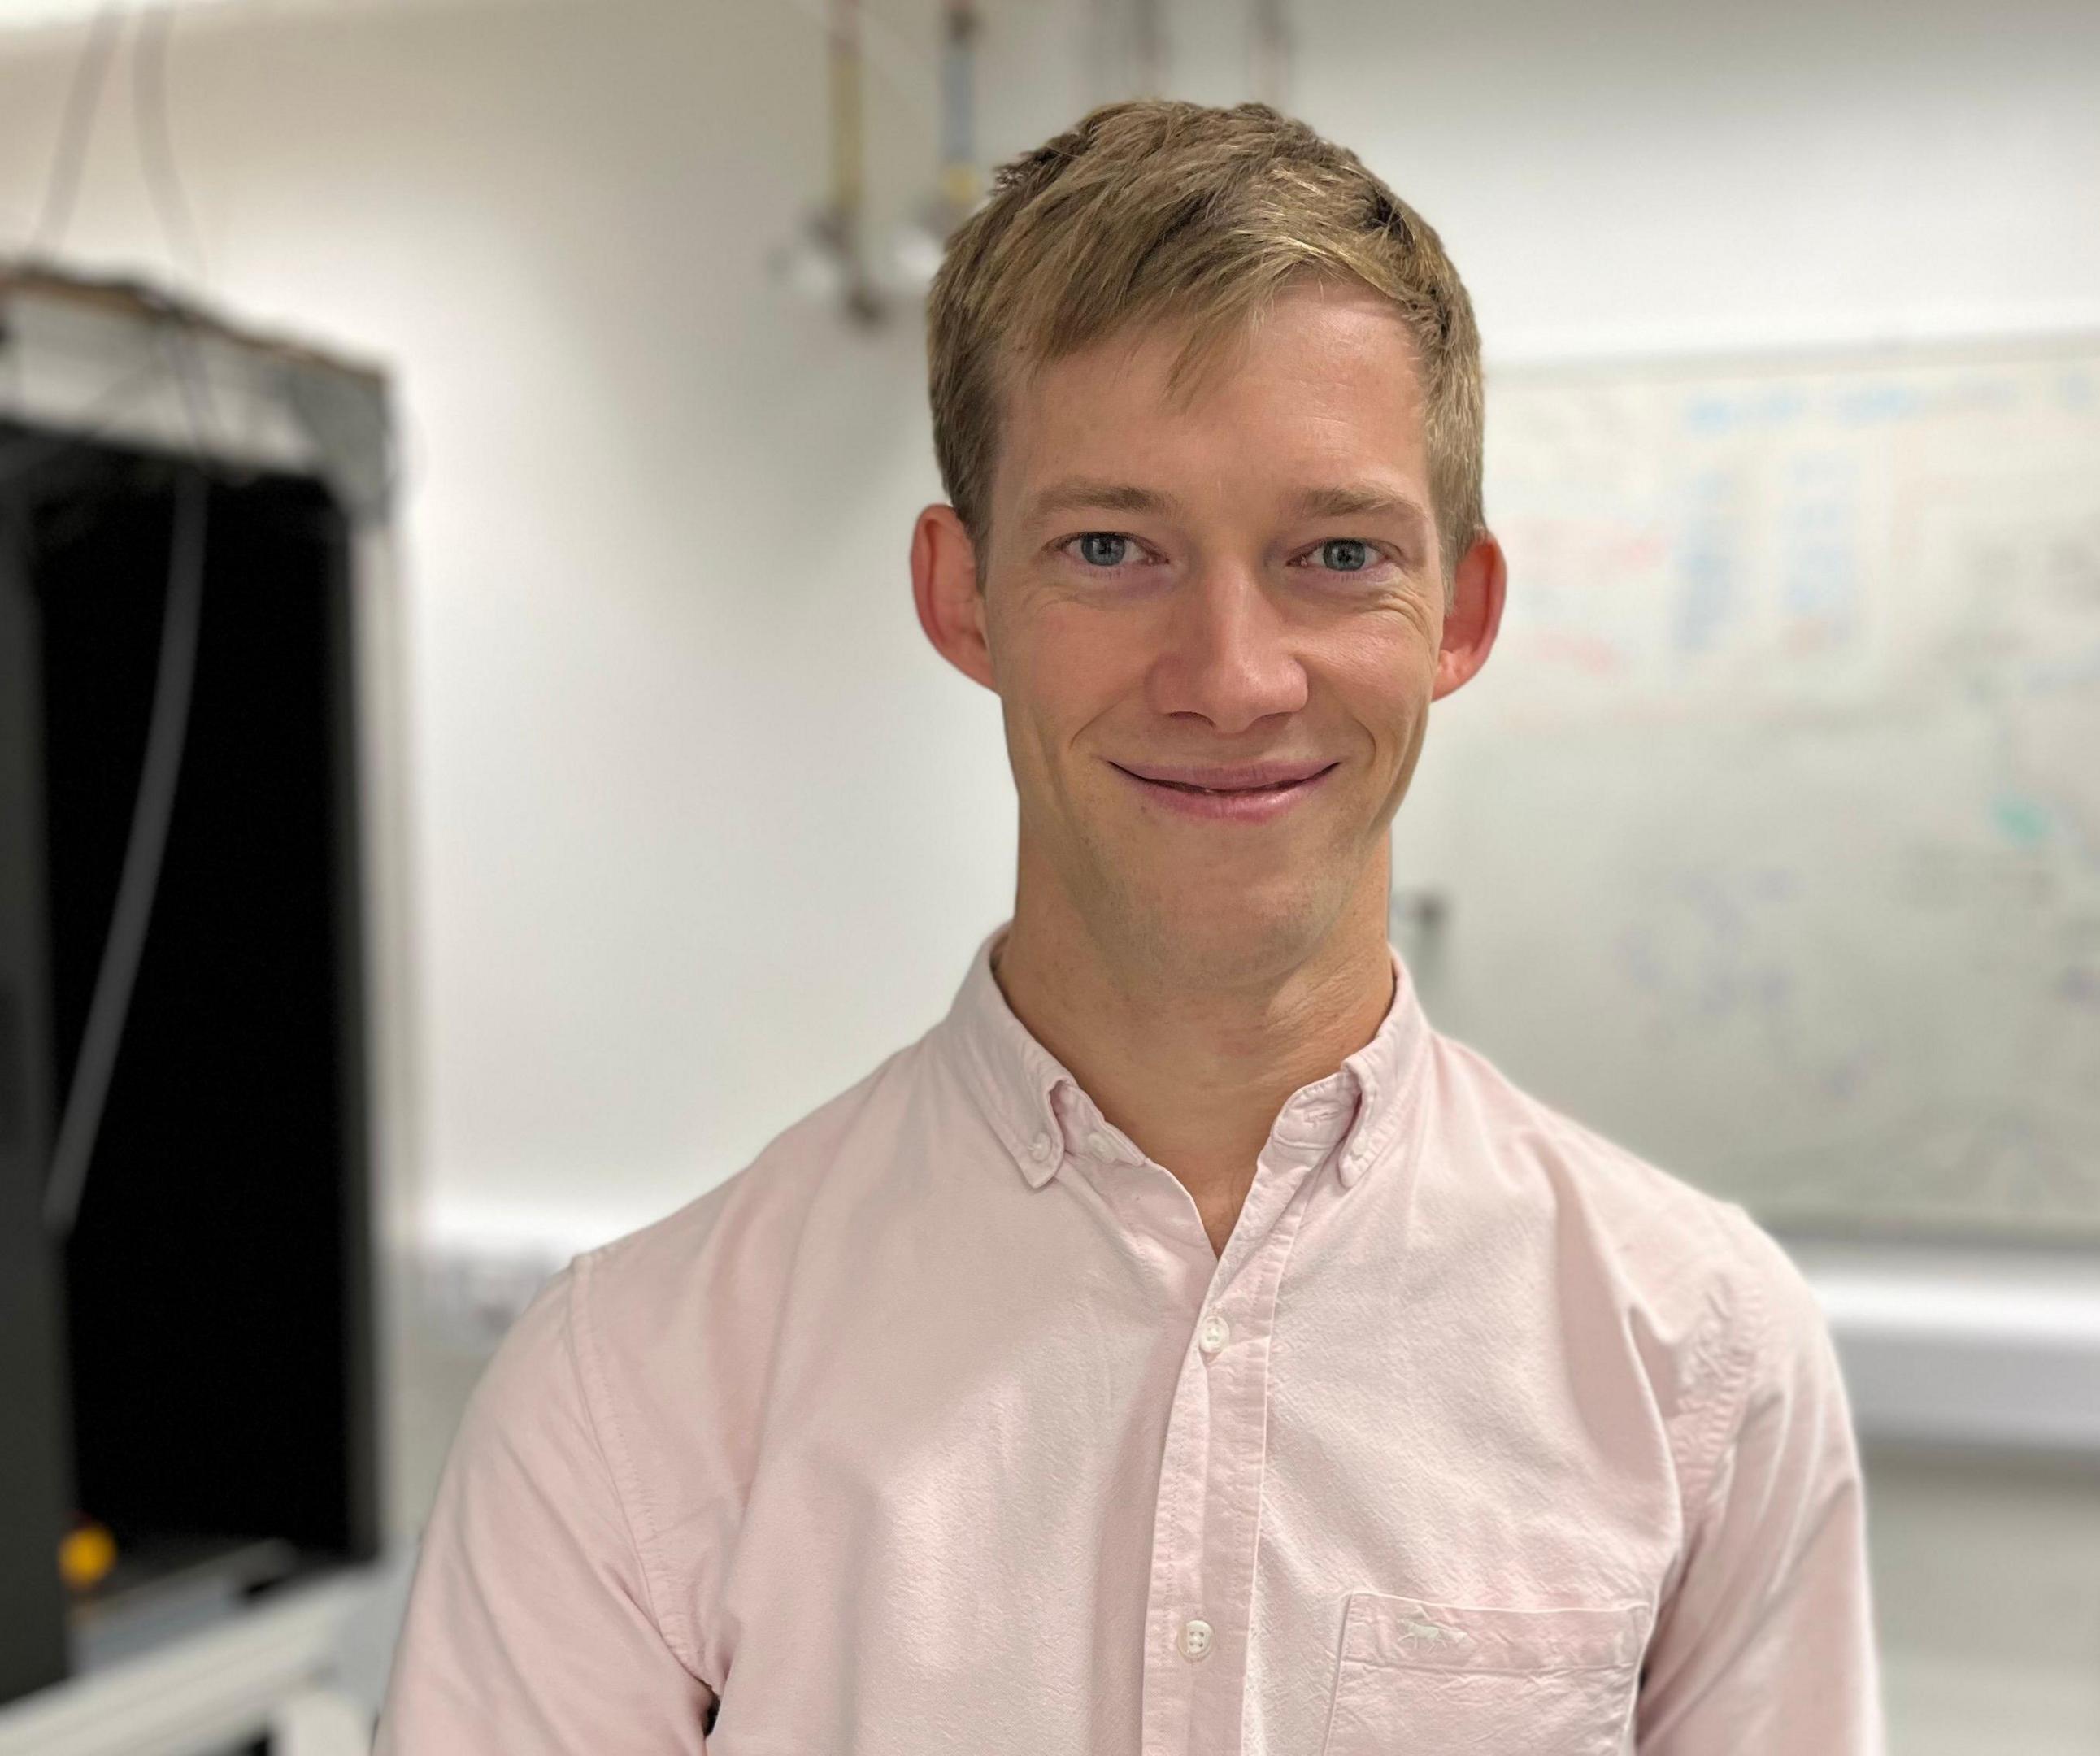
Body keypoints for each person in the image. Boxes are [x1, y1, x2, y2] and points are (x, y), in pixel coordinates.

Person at [374, 99, 1882, 1754]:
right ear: (965, 600)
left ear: (1456, 613)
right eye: (1111, 547)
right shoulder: (631, 1395)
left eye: (1334, 552)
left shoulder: (1701, 1360)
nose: (1232, 676)